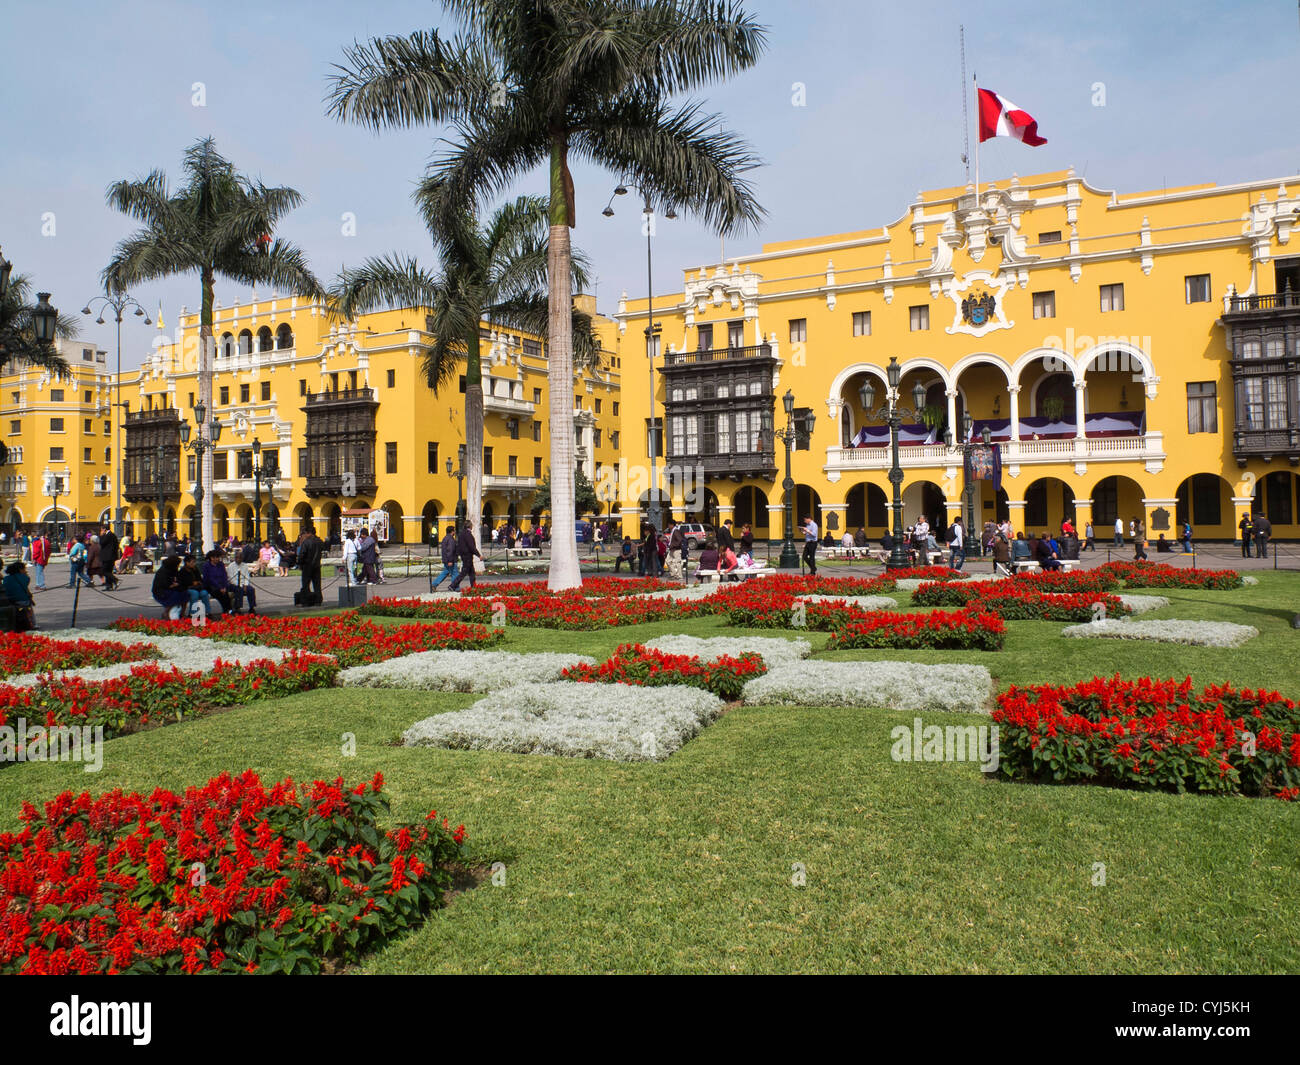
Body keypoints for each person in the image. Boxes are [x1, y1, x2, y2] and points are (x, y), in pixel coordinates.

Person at [203, 549, 256, 614]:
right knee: (223, 594)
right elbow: (210, 579)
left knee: (250, 590)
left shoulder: (221, 564)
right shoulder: (207, 566)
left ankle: (251, 608)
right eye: (215, 557)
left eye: (218, 557)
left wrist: (224, 586)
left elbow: (225, 576)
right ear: (211, 558)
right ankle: (230, 609)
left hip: (226, 585)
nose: (217, 559)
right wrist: (220, 587)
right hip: (213, 586)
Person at [449, 523, 482, 591]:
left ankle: (473, 586)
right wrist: (479, 555)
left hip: (464, 555)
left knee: (471, 572)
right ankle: (453, 585)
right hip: (468, 556)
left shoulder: (461, 534)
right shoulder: (468, 534)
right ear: (470, 526)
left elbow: (459, 545)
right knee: (464, 572)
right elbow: (471, 546)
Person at [3, 561, 35, 632]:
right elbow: (26, 586)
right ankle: (33, 623)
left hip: (10, 600)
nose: (25, 570)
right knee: (29, 607)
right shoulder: (25, 577)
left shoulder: (6, 578)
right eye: (24, 569)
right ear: (20, 569)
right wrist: (25, 575)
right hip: (23, 601)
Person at [296, 526, 324, 607]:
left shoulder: (306, 542)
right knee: (317, 584)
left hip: (307, 565)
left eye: (305, 533)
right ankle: (318, 600)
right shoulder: (319, 541)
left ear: (309, 533)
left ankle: (306, 600)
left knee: (305, 584)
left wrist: (299, 563)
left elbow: (302, 554)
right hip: (317, 565)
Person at [430, 526, 459, 590]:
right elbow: (450, 550)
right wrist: (450, 561)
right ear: (452, 531)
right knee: (455, 573)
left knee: (445, 572)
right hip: (451, 560)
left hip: (446, 559)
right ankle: (455, 587)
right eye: (454, 530)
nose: (455, 532)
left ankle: (434, 584)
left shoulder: (445, 538)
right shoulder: (451, 539)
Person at [98, 525, 120, 590]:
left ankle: (115, 580)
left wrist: (101, 535)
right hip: (112, 556)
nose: (101, 531)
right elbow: (116, 546)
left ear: (104, 529)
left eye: (101, 530)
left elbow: (101, 543)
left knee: (103, 570)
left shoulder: (108, 536)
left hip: (107, 557)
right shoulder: (113, 535)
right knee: (109, 571)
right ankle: (109, 586)